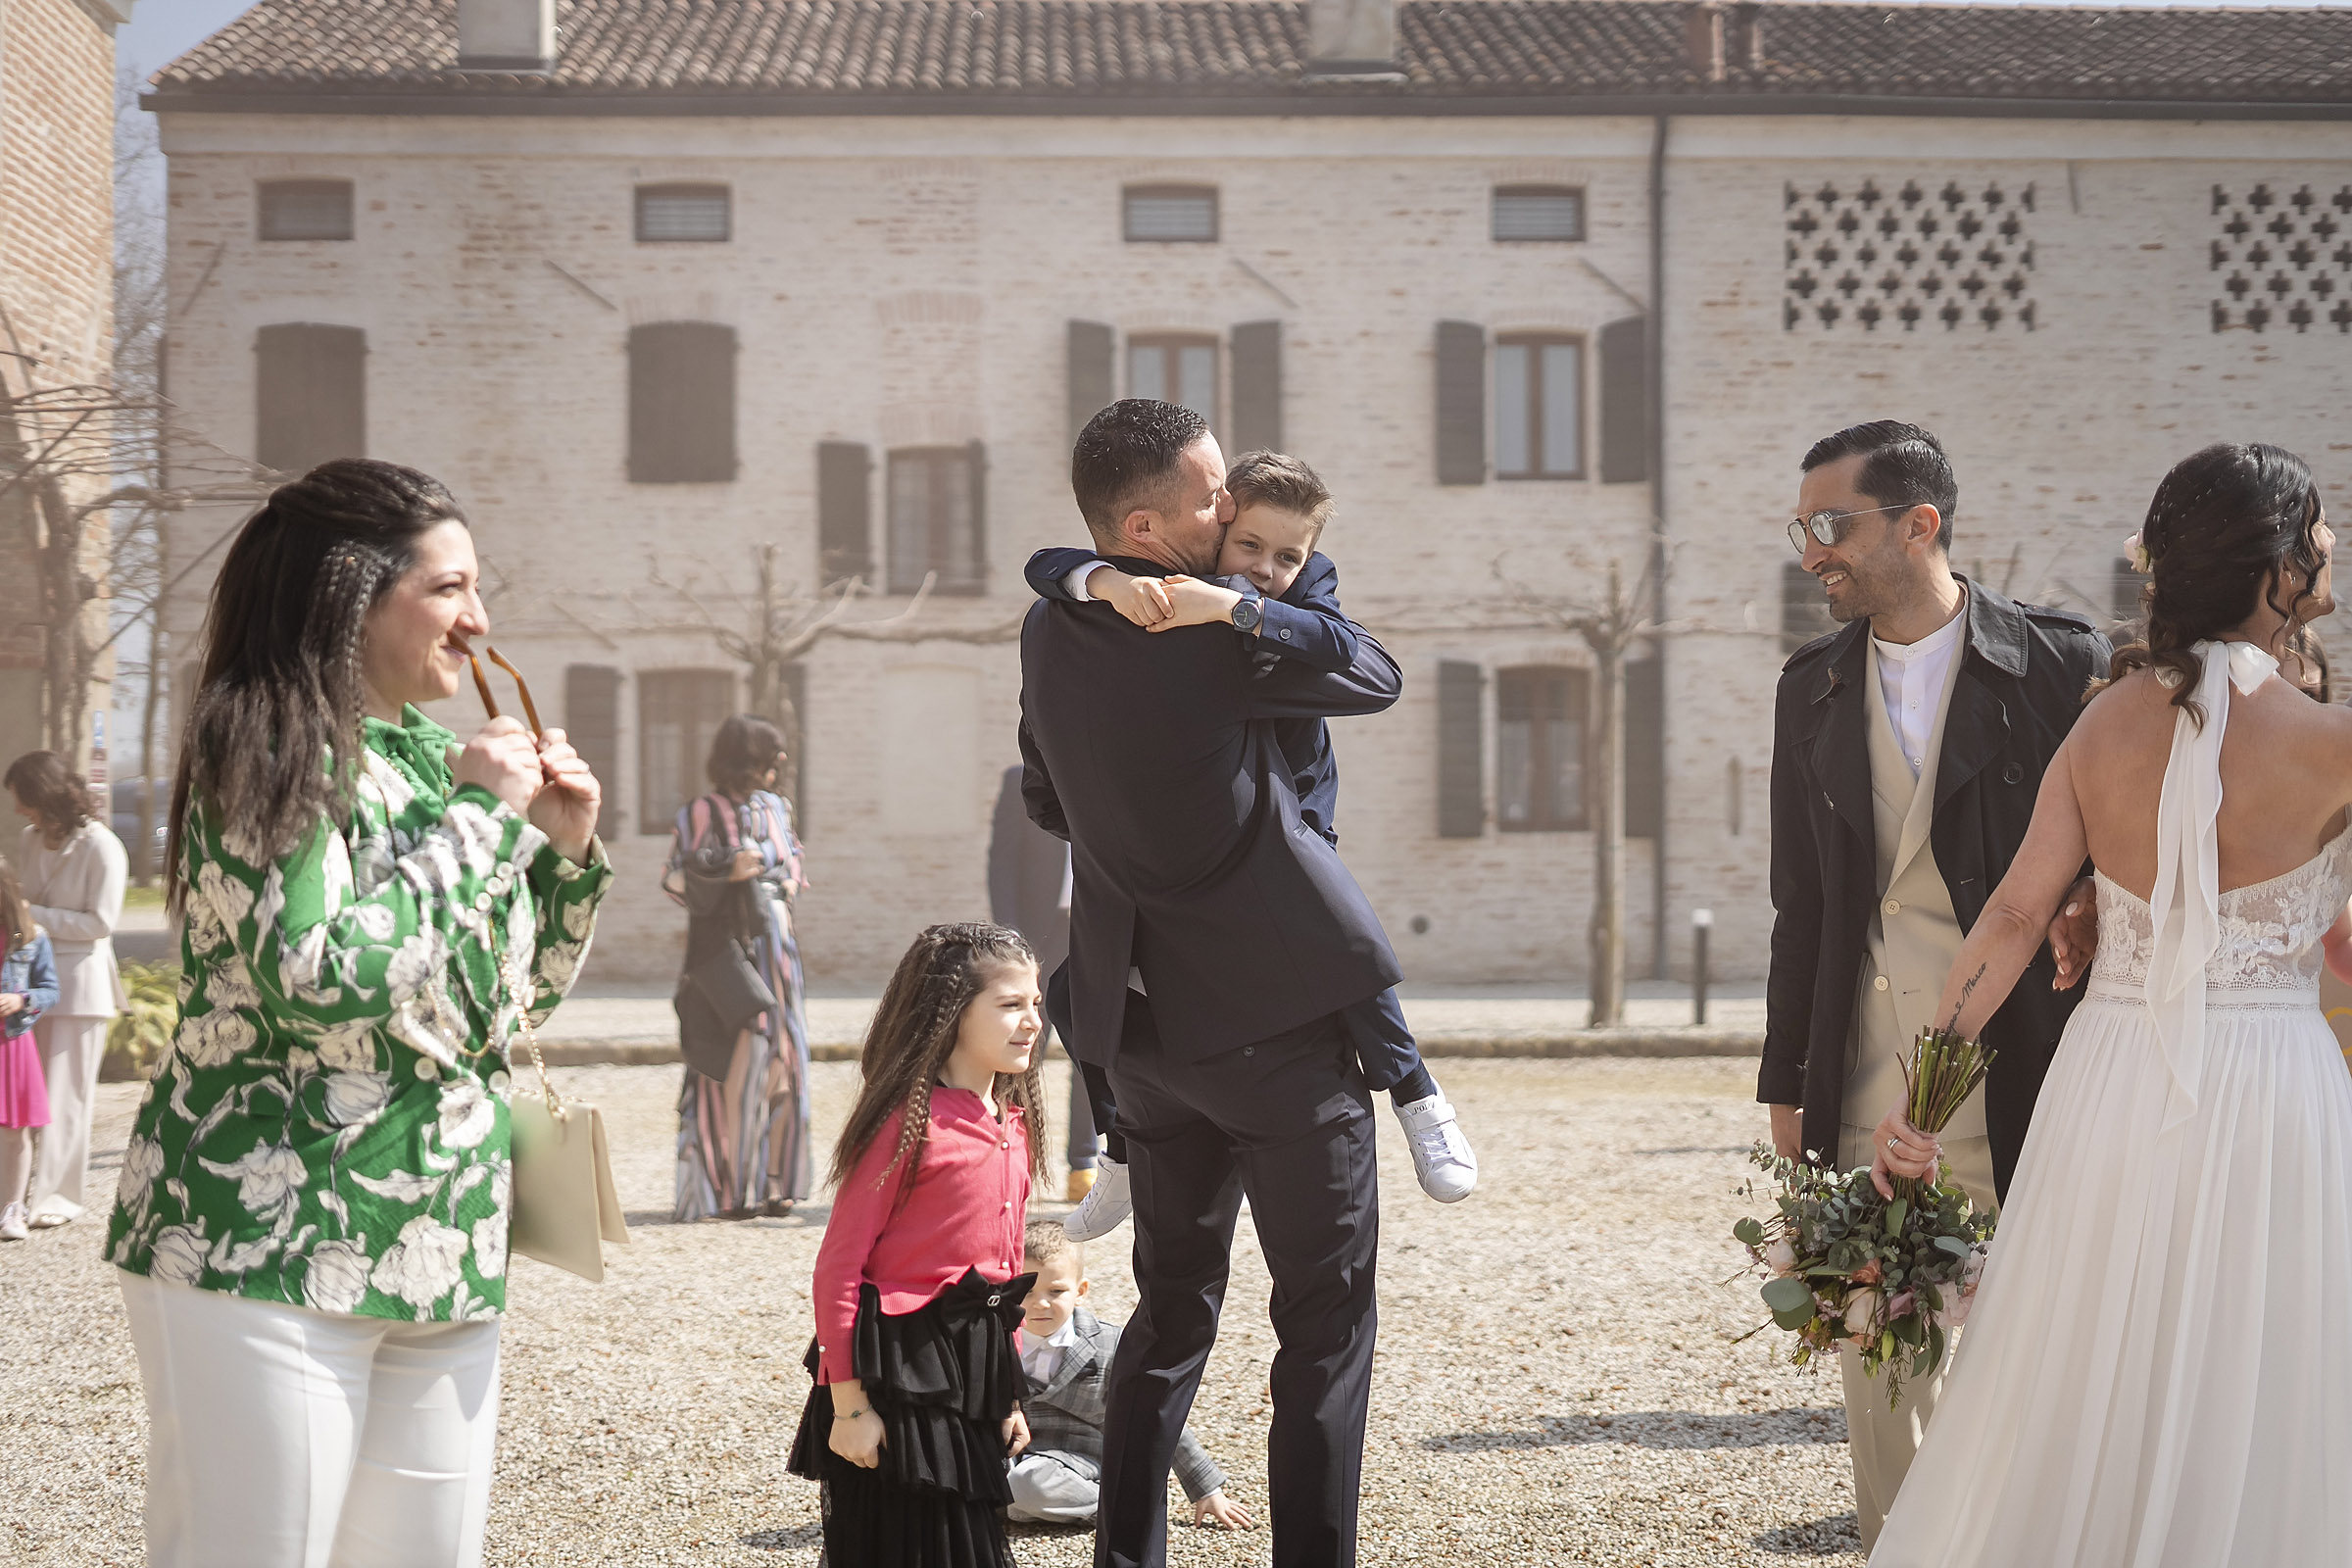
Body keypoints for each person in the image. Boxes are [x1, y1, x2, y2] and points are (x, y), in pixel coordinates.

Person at [102, 458, 611, 1567]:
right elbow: (316, 972)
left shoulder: (447, 760)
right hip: (260, 1239)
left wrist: (560, 859)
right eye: (448, 589)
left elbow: (502, 1006)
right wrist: (482, 821)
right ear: (349, 593)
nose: (479, 621)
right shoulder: (269, 741)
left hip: (444, 1241)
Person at [1865, 442, 2352, 1563]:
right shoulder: (2333, 750)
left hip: (2116, 1078)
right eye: (2319, 526)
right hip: (2276, 1088)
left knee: (2093, 1356)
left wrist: (1925, 1099)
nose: (2331, 543)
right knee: (2262, 1357)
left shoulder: (2101, 727)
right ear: (2279, 567)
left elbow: (2013, 919)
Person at [1019, 399, 1404, 1568]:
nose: (1231, 507)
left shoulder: (1047, 626)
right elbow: (1374, 674)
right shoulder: (1225, 636)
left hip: (1141, 1039)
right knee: (1324, 1327)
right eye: (1207, 500)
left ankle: (1125, 1557)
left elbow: (1043, 793)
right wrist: (1245, 601)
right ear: (1144, 525)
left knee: (1170, 1309)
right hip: (1278, 1035)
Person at [1761, 421, 2110, 1550]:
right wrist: (1787, 1075)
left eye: (1833, 526)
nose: (1813, 551)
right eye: (1802, 527)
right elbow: (1801, 904)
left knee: (2041, 1341)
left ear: (1921, 525)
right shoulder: (1807, 686)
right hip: (1865, 1071)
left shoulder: (2062, 663)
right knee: (1878, 1350)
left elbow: (2117, 853)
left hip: (2035, 1059)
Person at [1024, 450, 1477, 1241]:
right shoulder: (1120, 598)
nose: (1268, 568)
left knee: (1346, 952)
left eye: (1287, 557)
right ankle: (1122, 1148)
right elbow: (1046, 563)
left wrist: (1240, 611)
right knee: (1072, 991)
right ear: (1220, 520)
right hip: (1200, 834)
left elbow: (1366, 667)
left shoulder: (1279, 594)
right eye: (1250, 547)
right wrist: (1106, 581)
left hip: (1297, 815)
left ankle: (1418, 1099)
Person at [786, 921, 1047, 1568]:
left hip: (973, 1371)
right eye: (1011, 1004)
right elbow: (839, 1267)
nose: (1032, 1022)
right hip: (898, 1376)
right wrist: (848, 1408)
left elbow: (1005, 1278)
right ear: (954, 1011)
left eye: (1036, 1003)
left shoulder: (1013, 1125)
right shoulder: (906, 1123)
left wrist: (1008, 1396)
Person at [1008, 1220, 1252, 1532]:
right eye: (1027, 1291)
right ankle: (1021, 1503)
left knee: (1027, 1485)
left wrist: (1206, 1489)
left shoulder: (1109, 1345)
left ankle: (1114, 1504)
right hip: (1013, 1457)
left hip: (1080, 1461)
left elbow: (1155, 1410)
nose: (1040, 1303)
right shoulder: (1001, 1341)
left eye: (1056, 1291)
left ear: (1080, 1291)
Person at [663, 714, 811, 1221]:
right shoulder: (700, 811)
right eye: (773, 758)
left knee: (785, 1059)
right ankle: (728, 1190)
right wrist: (729, 870)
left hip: (780, 952)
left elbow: (794, 861)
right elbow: (676, 878)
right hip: (729, 954)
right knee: (731, 1061)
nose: (780, 768)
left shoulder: (777, 808)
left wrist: (785, 883)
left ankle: (776, 1182)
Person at [7, 750, 127, 1229]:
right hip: (30, 985)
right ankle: (15, 1196)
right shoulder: (29, 840)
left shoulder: (103, 846)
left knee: (67, 1100)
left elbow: (100, 923)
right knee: (27, 1097)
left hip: (82, 988)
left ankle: (57, 1199)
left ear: (46, 795)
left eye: (23, 799)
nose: (18, 810)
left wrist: (34, 916)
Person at [989, 762, 1100, 1200]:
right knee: (1020, 1051)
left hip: (1092, 933)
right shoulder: (1021, 780)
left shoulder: (1106, 775)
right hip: (1037, 935)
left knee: (1091, 1052)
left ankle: (1084, 1163)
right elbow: (1001, 862)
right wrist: (1011, 940)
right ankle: (1014, 1157)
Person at [0, 858, 58, 1242]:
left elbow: (51, 990)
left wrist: (21, 999)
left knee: (14, 1132)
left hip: (11, 1045)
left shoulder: (32, 937)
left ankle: (12, 1210)